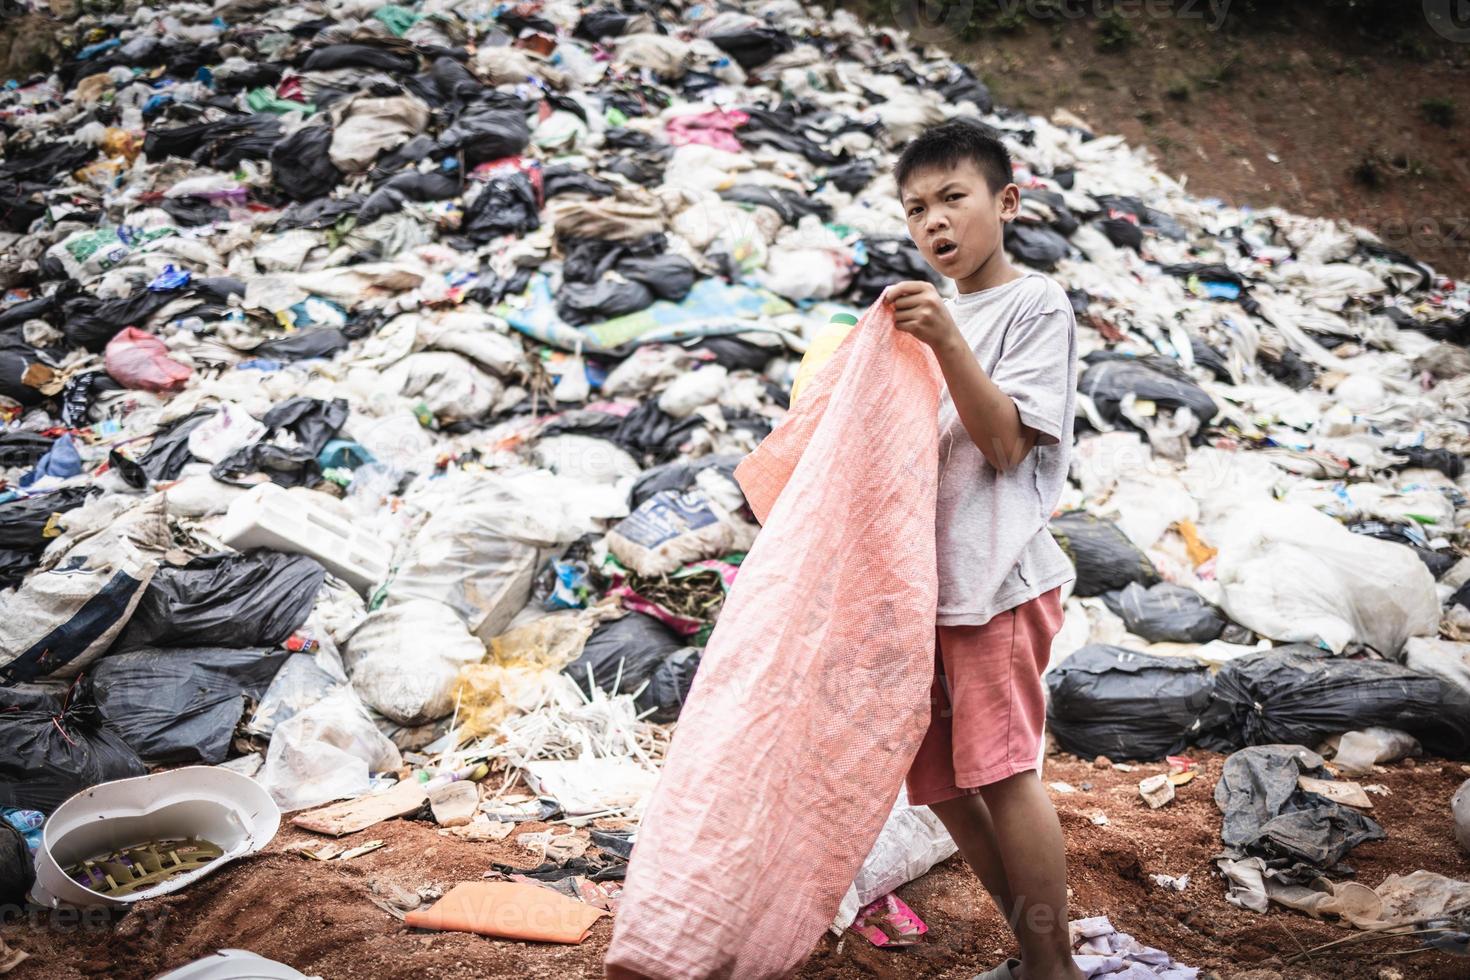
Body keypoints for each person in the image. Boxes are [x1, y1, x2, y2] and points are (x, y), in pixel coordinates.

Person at [880, 119, 1083, 980]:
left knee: (1003, 776)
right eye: (916, 208)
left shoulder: (1036, 305)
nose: (935, 223)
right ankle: (1030, 949)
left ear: (1005, 201)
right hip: (925, 591)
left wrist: (948, 343)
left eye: (952, 198)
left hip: (997, 586)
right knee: (942, 786)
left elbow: (1004, 446)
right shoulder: (926, 320)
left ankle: (1053, 965)